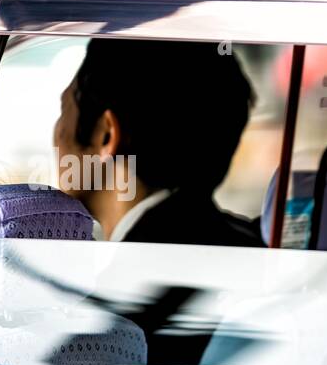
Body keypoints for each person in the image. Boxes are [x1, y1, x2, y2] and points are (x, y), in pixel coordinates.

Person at [51, 38, 260, 247]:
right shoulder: (250, 243)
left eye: (63, 109)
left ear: (107, 135)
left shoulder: (129, 271)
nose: (56, 132)